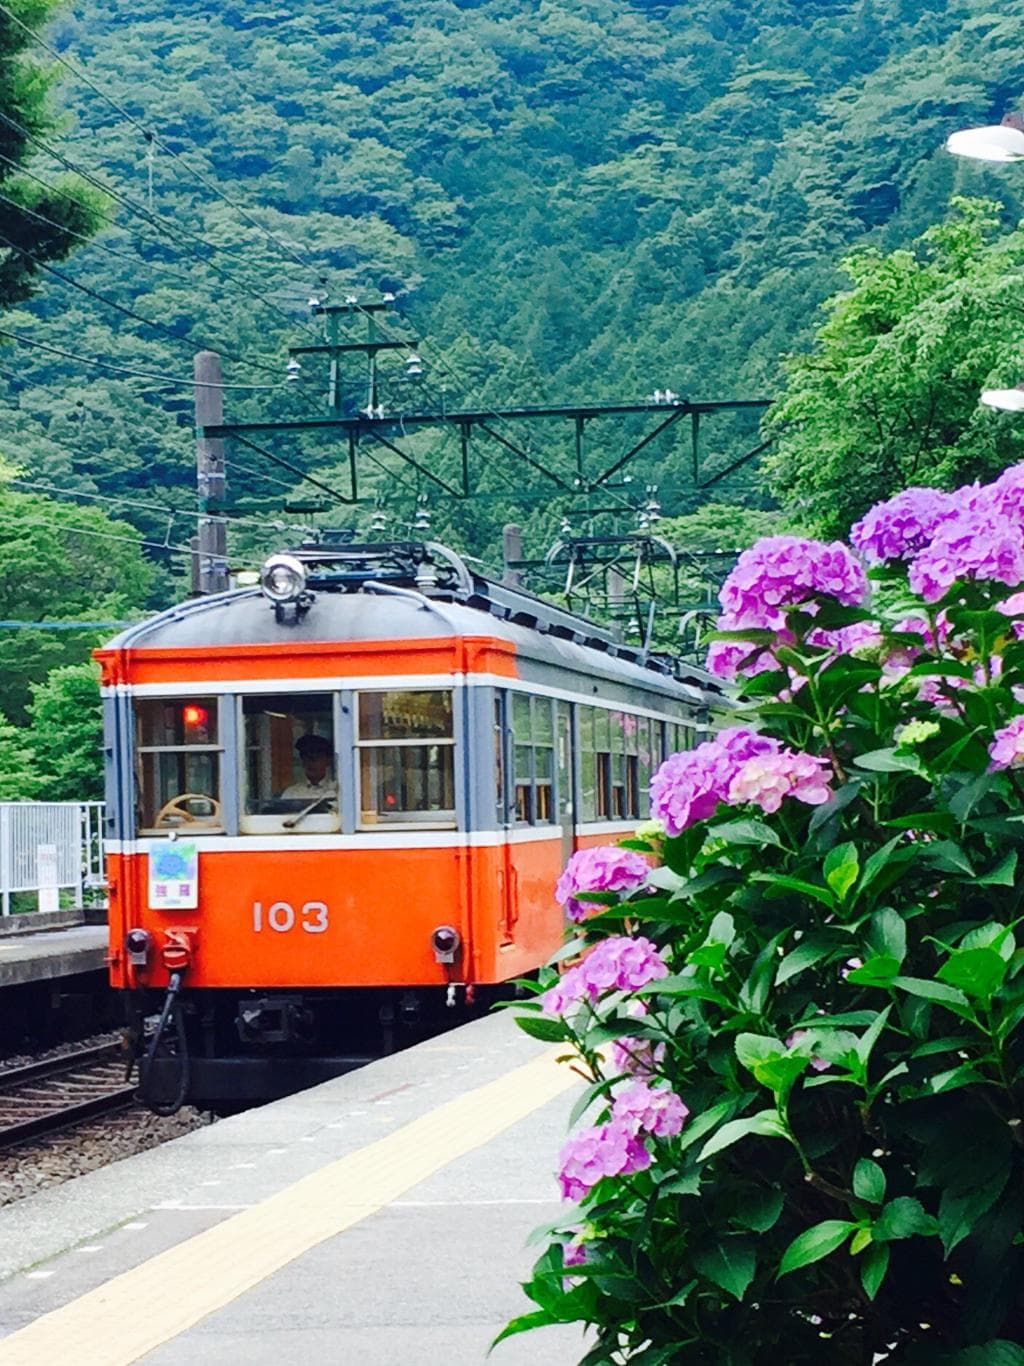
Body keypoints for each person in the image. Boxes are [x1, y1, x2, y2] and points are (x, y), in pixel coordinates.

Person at [281, 733, 337, 803]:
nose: (310, 763)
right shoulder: (291, 793)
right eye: (306, 758)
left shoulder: (336, 791)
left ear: (327, 761)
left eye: (316, 758)